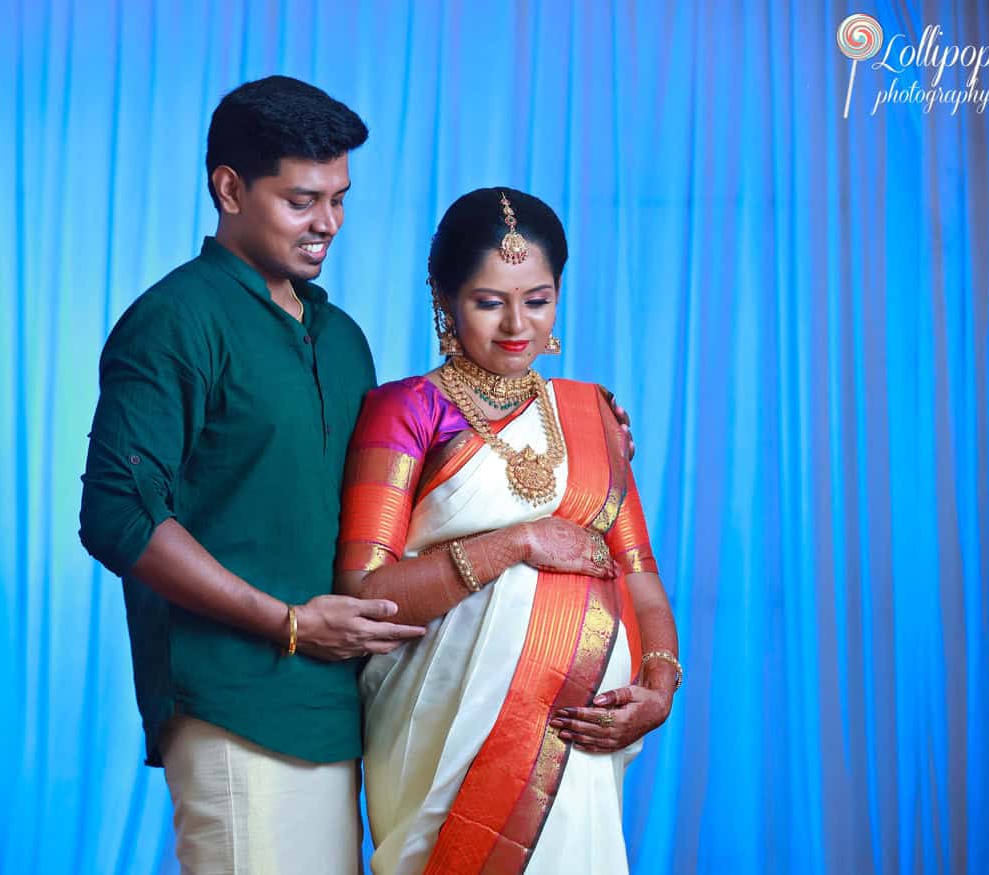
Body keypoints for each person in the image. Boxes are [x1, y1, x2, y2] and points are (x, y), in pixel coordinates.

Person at [77, 76, 428, 874]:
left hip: (338, 708)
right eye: (303, 200)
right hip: (235, 702)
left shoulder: (342, 338)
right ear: (228, 188)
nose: (329, 223)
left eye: (340, 198)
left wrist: (573, 430)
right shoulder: (176, 320)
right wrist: (289, 622)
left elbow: (397, 491)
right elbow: (118, 513)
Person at [335, 187, 682, 874]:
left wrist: (659, 686)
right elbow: (365, 593)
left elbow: (638, 575)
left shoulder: (591, 415)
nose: (517, 324)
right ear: (444, 297)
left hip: (577, 744)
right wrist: (515, 543)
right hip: (441, 738)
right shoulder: (405, 411)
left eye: (538, 298)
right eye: (489, 301)